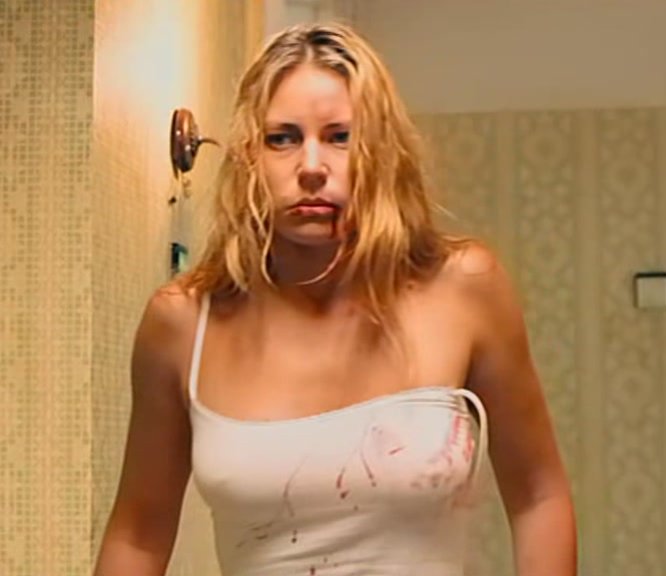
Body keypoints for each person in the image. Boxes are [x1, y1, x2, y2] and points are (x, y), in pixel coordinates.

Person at [93, 21, 576, 576]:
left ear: (382, 152)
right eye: (283, 138)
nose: (312, 167)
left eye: (340, 136)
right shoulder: (182, 323)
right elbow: (139, 534)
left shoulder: (464, 288)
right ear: (249, 157)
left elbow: (539, 496)